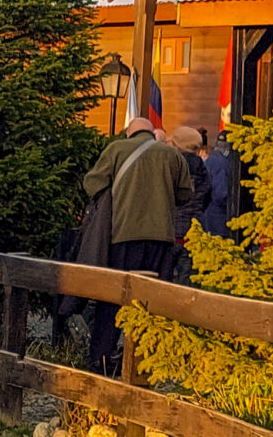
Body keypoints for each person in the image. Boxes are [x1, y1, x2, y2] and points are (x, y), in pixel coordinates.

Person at [81, 116, 197, 372]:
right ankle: (145, 366)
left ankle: (101, 360)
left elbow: (92, 184)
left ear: (129, 133)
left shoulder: (116, 150)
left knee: (112, 301)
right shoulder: (171, 154)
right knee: (152, 303)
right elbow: (185, 194)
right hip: (162, 240)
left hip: (123, 237)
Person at [166, 123, 212, 281]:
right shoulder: (204, 171)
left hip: (169, 232)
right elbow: (207, 200)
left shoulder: (170, 167)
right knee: (188, 283)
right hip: (193, 233)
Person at [202, 127, 236, 238]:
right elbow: (221, 194)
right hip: (219, 217)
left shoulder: (211, 159)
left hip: (210, 215)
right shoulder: (221, 163)